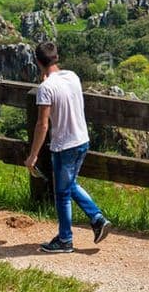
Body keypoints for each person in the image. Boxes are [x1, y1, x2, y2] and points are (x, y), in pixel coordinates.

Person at [25, 41, 111, 253]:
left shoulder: (45, 89)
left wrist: (33, 156)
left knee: (62, 193)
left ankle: (66, 239)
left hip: (64, 146)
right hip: (82, 140)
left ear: (38, 62)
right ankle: (97, 219)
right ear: (57, 57)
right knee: (69, 184)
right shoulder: (73, 76)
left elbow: (42, 124)